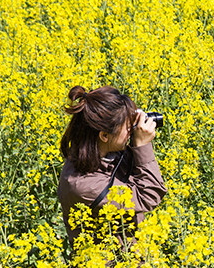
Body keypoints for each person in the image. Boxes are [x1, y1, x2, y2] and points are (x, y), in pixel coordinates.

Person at [57, 85, 167, 247]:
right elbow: (149, 195)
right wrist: (142, 145)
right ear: (104, 135)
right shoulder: (83, 186)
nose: (132, 130)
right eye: (128, 127)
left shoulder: (93, 149)